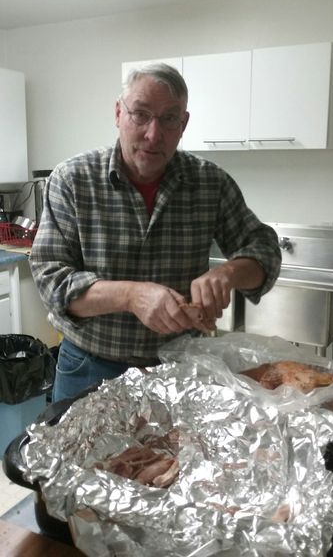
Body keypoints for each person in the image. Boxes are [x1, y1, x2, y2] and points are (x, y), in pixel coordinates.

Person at [29, 63, 281, 402]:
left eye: (168, 119)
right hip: (89, 368)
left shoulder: (210, 183)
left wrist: (228, 273)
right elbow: (51, 280)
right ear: (119, 113)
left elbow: (264, 247)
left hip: (179, 371)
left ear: (184, 125)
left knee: (173, 458)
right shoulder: (72, 180)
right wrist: (131, 296)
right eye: (141, 115)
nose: (153, 134)